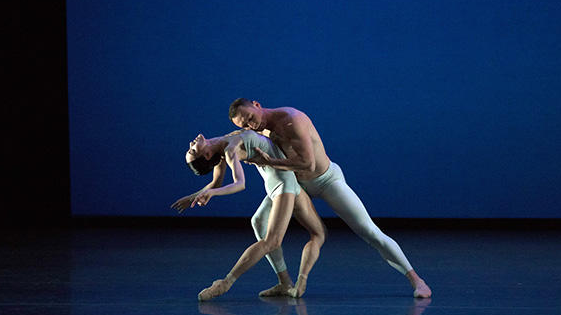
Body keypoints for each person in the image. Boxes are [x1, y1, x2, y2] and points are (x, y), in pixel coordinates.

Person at [229, 98, 432, 298]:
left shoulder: (291, 120)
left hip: (325, 180)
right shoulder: (257, 131)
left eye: (249, 118)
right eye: (245, 124)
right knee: (258, 221)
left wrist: (271, 162)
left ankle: (417, 280)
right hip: (296, 185)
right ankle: (284, 282)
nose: (250, 125)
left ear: (257, 105)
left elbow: (308, 163)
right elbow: (229, 144)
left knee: (369, 231)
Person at [171, 130, 327, 301]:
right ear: (207, 154)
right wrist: (210, 193)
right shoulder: (228, 151)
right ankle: (225, 283)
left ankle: (286, 282)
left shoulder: (221, 144)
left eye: (190, 149)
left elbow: (216, 183)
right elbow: (239, 184)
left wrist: (194, 197)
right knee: (272, 240)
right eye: (192, 150)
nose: (190, 144)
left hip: (279, 181)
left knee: (264, 223)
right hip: (281, 184)